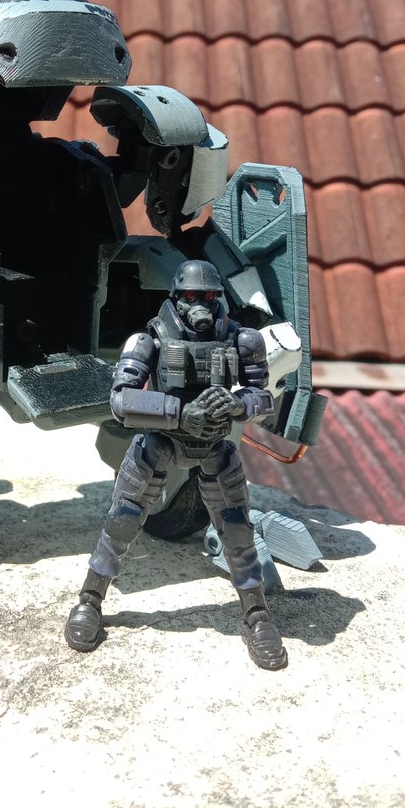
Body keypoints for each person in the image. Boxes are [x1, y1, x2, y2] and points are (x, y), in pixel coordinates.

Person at [64, 260, 288, 670]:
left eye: (208, 296)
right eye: (190, 297)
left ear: (218, 297)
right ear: (175, 298)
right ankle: (90, 600)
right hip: (161, 442)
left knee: (238, 531)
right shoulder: (148, 339)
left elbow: (264, 398)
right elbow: (121, 400)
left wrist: (238, 404)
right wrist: (179, 414)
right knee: (122, 522)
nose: (199, 305)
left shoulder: (243, 340)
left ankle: (257, 616)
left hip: (215, 446)